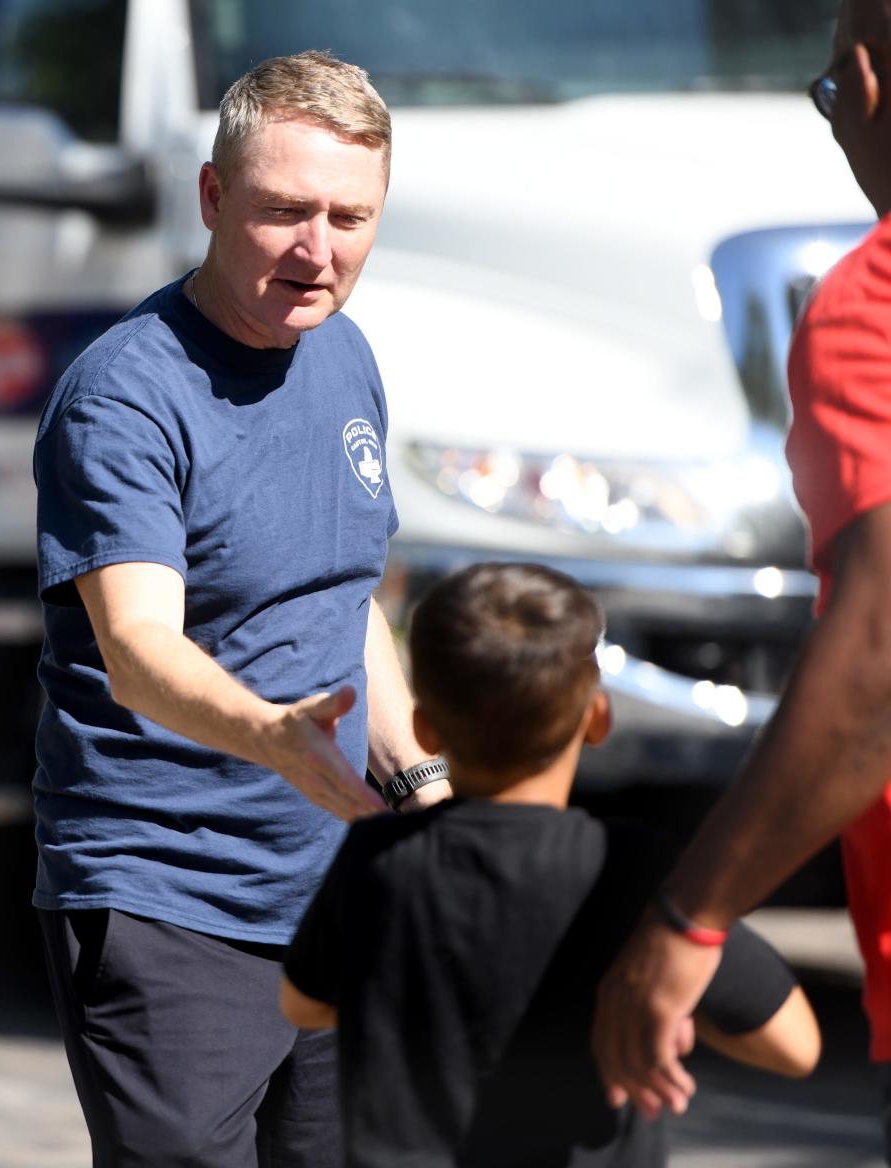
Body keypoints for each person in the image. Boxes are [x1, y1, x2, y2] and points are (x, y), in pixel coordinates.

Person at [31, 51, 450, 1168]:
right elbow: (135, 647)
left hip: (334, 893)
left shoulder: (344, 355)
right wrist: (273, 735)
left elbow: (345, 595)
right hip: (169, 900)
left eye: (349, 216)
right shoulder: (126, 393)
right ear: (213, 199)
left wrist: (424, 787)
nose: (319, 251)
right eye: (283, 212)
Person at [592, 1, 891, 1154]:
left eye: (825, 95)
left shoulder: (872, 301)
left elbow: (876, 656)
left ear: (865, 77)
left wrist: (692, 912)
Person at [280, 562, 821, 1167]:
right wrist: (665, 1003)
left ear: (424, 730)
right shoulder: (628, 870)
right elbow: (796, 1046)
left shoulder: (379, 857)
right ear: (598, 719)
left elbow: (305, 1004)